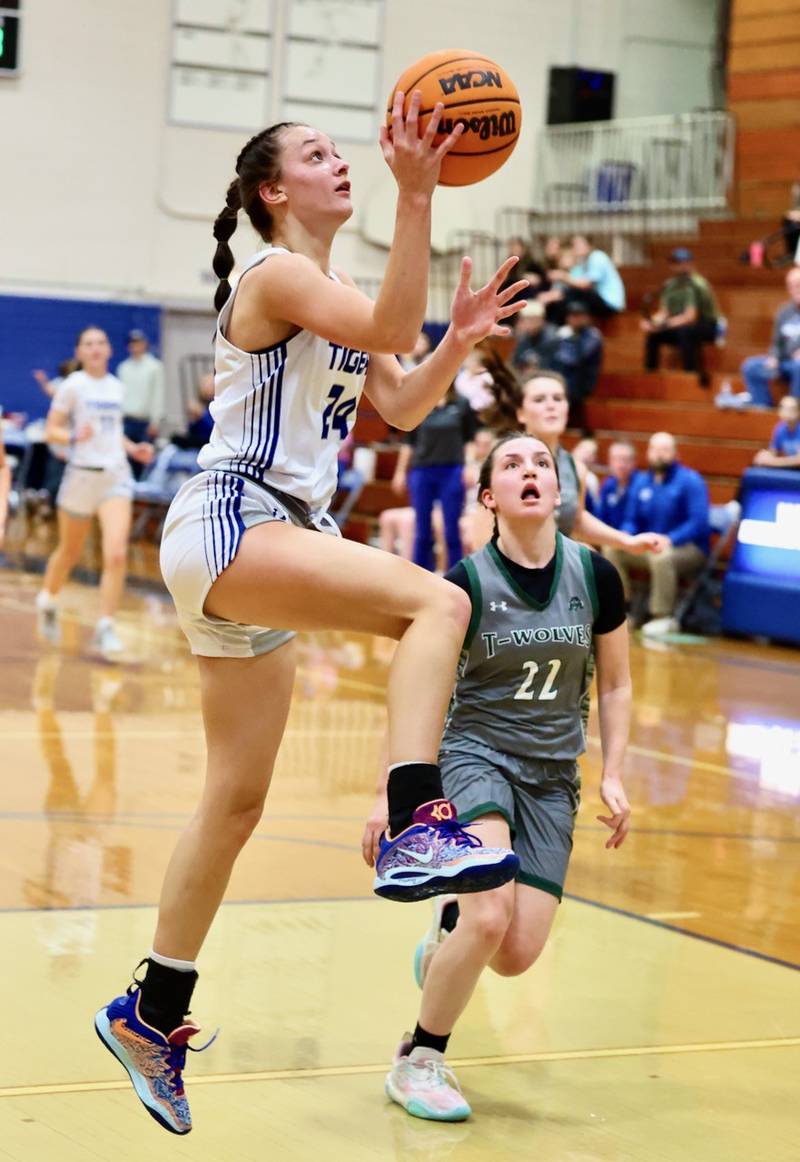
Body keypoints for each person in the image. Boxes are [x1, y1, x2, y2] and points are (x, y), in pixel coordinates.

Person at [93, 100, 528, 1135]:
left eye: (343, 153)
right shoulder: (274, 273)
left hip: (260, 547)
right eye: (318, 156)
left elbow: (405, 397)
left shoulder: (326, 289)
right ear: (271, 194)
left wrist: (457, 343)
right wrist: (416, 195)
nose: (341, 164)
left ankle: (152, 1009)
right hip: (238, 517)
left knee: (236, 802)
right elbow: (386, 325)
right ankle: (418, 818)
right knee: (439, 599)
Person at [361, 433, 632, 1121]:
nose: (530, 471)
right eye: (512, 465)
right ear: (490, 497)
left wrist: (616, 773)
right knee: (490, 913)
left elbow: (620, 685)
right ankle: (419, 1057)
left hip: (551, 774)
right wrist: (385, 795)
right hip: (474, 755)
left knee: (513, 953)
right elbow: (420, 694)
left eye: (542, 462)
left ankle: (446, 921)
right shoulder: (462, 588)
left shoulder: (597, 577)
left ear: (560, 489)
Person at [34, 327, 153, 657]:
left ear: (110, 350)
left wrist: (133, 448)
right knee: (70, 552)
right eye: (88, 344)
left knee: (115, 554)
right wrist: (74, 435)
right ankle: (48, 599)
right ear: (80, 352)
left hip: (115, 476)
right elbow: (51, 430)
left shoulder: (116, 387)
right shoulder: (72, 386)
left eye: (101, 343)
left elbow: (112, 431)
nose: (96, 348)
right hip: (81, 478)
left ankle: (105, 626)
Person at [607, 431, 710, 636]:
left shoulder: (691, 481)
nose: (659, 455)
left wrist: (671, 539)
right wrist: (627, 537)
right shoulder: (641, 482)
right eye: (655, 449)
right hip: (651, 544)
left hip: (689, 549)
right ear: (648, 453)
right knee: (612, 548)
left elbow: (698, 523)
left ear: (676, 454)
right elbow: (631, 519)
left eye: (665, 450)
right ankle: (624, 609)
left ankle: (663, 617)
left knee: (661, 556)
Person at [392, 386, 478, 571]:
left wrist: (470, 465)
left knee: (451, 528)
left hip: (452, 470)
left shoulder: (461, 403)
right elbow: (409, 442)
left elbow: (469, 439)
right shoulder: (420, 403)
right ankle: (420, 574)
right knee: (422, 529)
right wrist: (400, 472)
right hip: (422, 470)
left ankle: (456, 575)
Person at [641, 248, 720, 386]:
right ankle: (650, 376)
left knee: (686, 333)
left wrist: (663, 325)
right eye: (675, 262)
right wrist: (652, 323)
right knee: (654, 336)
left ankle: (689, 375)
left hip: (706, 325)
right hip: (680, 324)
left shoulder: (696, 284)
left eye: (682, 262)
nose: (678, 266)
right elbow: (664, 312)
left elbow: (690, 317)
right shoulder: (671, 285)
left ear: (689, 263)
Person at [740, 267, 800, 407]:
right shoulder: (784, 312)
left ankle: (795, 411)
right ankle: (762, 407)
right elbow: (776, 343)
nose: (796, 289)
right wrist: (774, 357)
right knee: (751, 366)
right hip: (784, 362)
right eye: (791, 286)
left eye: (798, 284)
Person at [116, 330, 165, 475]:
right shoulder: (123, 367)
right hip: (127, 420)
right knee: (124, 457)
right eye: (132, 344)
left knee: (144, 459)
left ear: (144, 344)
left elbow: (158, 394)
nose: (135, 346)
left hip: (145, 421)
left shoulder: (154, 367)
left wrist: (155, 421)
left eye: (138, 343)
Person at [551, 301, 604, 429]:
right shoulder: (563, 334)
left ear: (586, 317)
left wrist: (565, 339)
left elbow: (574, 359)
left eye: (579, 315)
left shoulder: (593, 336)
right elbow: (554, 357)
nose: (576, 319)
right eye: (573, 316)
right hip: (566, 378)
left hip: (583, 382)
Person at [550, 233, 625, 318]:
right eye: (574, 245)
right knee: (568, 296)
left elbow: (585, 285)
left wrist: (563, 277)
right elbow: (574, 282)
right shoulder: (583, 262)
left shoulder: (597, 257)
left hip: (610, 303)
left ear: (589, 246)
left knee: (573, 293)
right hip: (598, 300)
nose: (575, 247)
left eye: (579, 244)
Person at [595, 440, 641, 529]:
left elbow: (633, 521)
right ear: (610, 462)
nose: (621, 465)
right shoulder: (608, 485)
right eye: (616, 459)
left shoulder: (642, 485)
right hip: (612, 538)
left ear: (634, 462)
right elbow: (600, 517)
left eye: (626, 460)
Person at [510, 300, 558, 373]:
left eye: (531, 319)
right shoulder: (521, 336)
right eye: (524, 318)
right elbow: (517, 360)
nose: (528, 322)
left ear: (541, 320)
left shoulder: (552, 338)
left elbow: (549, 365)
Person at [754, 395, 800, 468]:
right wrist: (765, 456)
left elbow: (798, 461)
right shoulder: (780, 428)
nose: (787, 413)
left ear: (798, 412)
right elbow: (773, 452)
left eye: (791, 409)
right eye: (783, 408)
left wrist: (773, 462)